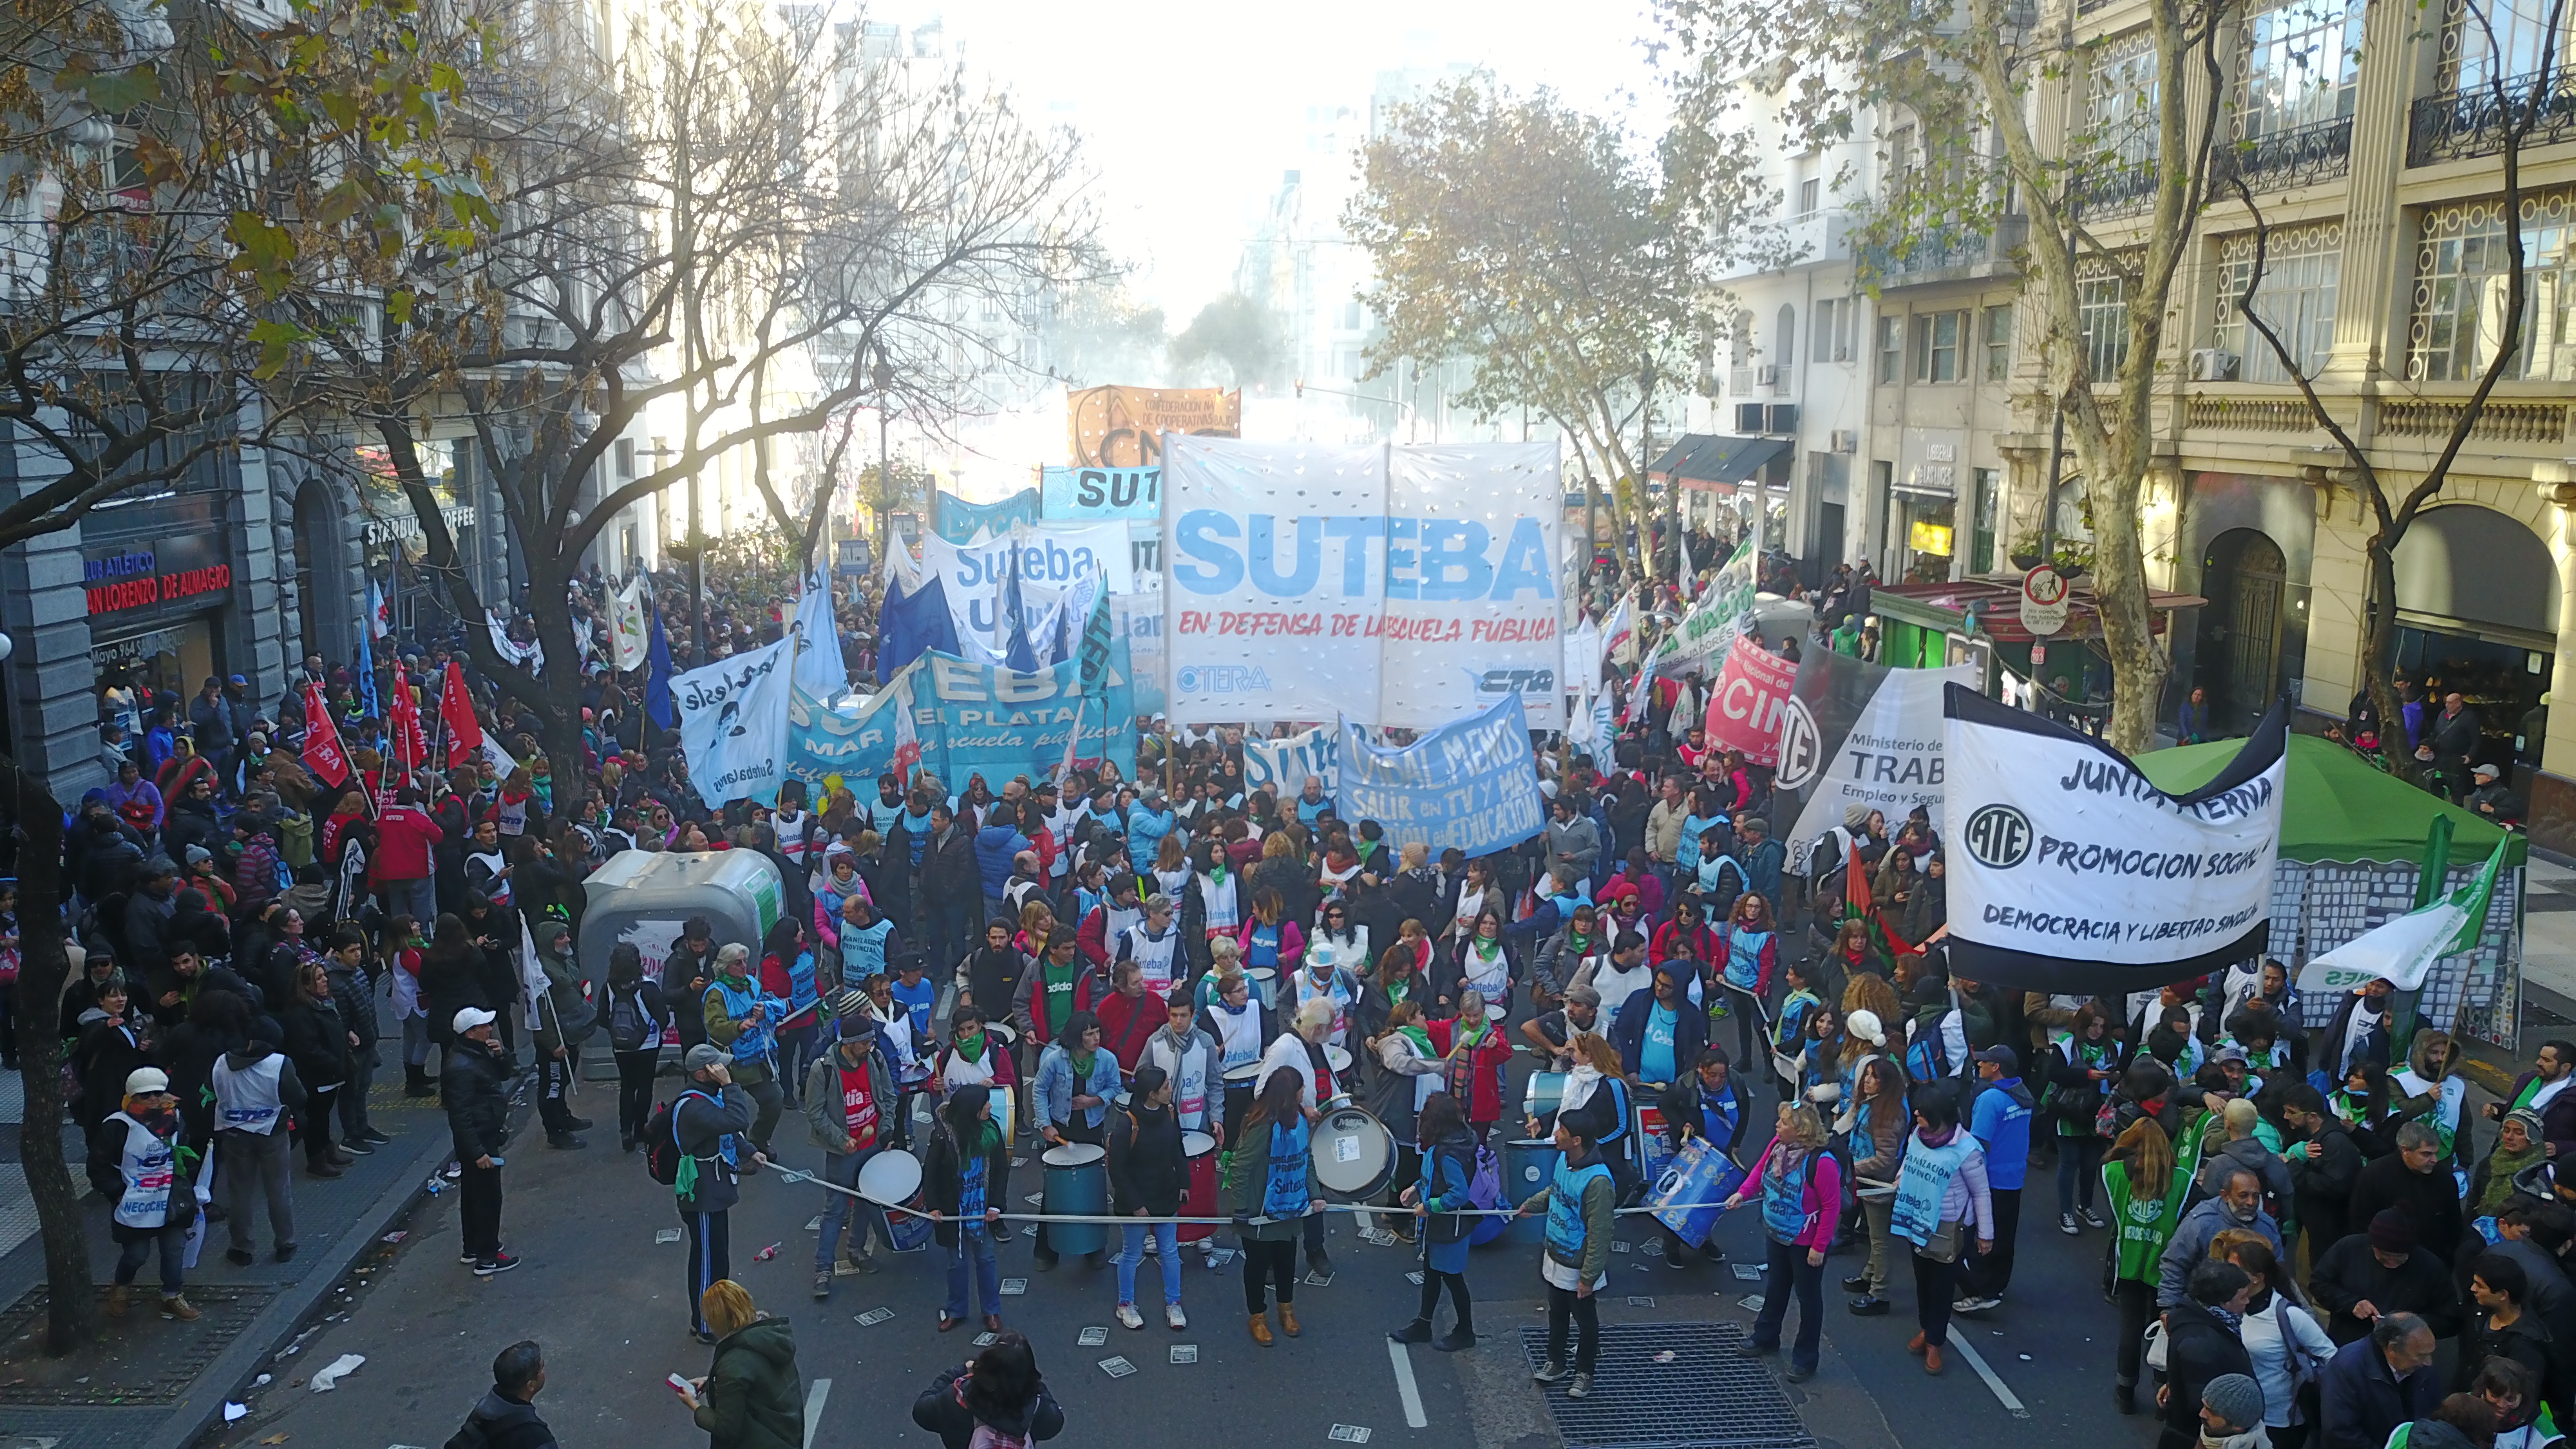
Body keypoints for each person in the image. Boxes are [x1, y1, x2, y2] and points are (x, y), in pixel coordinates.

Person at [1726, 1101, 1842, 1383]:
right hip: (1776, 1232)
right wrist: (1742, 1193)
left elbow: (1831, 1207)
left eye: (1784, 1122)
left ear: (1801, 1130)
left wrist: (1819, 1247)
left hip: (1804, 1242)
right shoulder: (1778, 1146)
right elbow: (1759, 1171)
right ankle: (1766, 1336)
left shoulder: (1822, 1163)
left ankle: (1805, 1358)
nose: (1777, 1125)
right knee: (1776, 1286)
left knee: (1808, 1298)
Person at [1889, 1083, 1994, 1375]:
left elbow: (1981, 1193)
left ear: (1941, 1115)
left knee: (1942, 1287)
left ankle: (1935, 1341)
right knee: (1922, 1281)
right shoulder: (1917, 1135)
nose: (1916, 1115)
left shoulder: (1967, 1150)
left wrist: (1986, 1235)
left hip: (1949, 1228)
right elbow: (1909, 1162)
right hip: (1917, 1220)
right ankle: (1927, 1328)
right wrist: (1901, 1178)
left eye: (1923, 1112)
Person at [1520, 1102, 1616, 1399]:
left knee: (1586, 1322)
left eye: (1561, 1131)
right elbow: (1556, 1191)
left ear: (1577, 1141)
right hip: (1556, 1255)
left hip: (1577, 1264)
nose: (1556, 1134)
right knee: (1557, 1314)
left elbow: (1600, 1233)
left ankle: (1585, 1372)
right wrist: (1533, 1204)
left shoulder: (1599, 1183)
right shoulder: (1565, 1159)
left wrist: (1588, 1277)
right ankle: (1556, 1362)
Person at [803, 997, 896, 1297]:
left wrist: (885, 1130)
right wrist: (842, 1139)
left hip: (871, 1146)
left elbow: (888, 1097)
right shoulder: (823, 1070)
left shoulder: (875, 1059)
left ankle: (856, 1250)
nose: (870, 1047)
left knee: (867, 1202)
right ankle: (822, 1269)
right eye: (865, 1043)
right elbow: (815, 1113)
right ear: (849, 1043)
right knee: (835, 1210)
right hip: (843, 1152)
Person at [674, 1043, 762, 1343]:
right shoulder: (694, 1106)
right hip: (702, 1194)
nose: (724, 1069)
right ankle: (703, 1324)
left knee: (718, 1256)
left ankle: (716, 1315)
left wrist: (749, 1151)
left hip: (714, 1189)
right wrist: (729, 1085)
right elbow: (736, 1120)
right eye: (717, 1067)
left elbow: (728, 1131)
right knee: (706, 1261)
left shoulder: (707, 1098)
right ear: (702, 1073)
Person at [104, 1066, 201, 1321]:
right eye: (145, 1095)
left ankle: (172, 1295)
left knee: (174, 1249)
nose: (153, 1099)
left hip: (171, 1197)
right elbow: (99, 1165)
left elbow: (187, 1148)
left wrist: (187, 1177)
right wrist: (118, 1192)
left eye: (158, 1093)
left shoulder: (176, 1118)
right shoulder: (117, 1125)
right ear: (132, 1097)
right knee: (137, 1255)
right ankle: (121, 1286)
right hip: (135, 1202)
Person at [1234, 1066, 1321, 1347]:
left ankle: (1287, 1309)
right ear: (1289, 1094)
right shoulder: (1261, 1125)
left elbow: (1306, 1158)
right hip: (1260, 1210)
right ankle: (1257, 1316)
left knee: (1286, 1260)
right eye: (1301, 1089)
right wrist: (1240, 1208)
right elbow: (1240, 1166)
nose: (1304, 1093)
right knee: (1257, 1266)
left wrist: (1315, 1195)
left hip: (1290, 1207)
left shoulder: (1299, 1120)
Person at [1390, 1090, 1480, 1351]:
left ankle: (1465, 1331)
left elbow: (1459, 1193)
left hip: (1448, 1228)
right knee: (1432, 1273)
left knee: (1452, 1279)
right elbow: (1436, 1177)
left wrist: (1429, 1207)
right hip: (1440, 1226)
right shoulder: (1451, 1143)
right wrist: (1417, 1187)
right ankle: (1423, 1323)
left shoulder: (1446, 1153)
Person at [213, 1018, 306, 1265]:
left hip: (234, 1134)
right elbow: (298, 1096)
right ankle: (285, 1243)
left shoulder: (222, 1062)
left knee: (240, 1191)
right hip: (272, 1133)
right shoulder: (279, 1064)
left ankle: (241, 1247)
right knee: (278, 1190)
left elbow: (214, 1091)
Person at [1031, 1009, 1119, 1271]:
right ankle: (1047, 1251)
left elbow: (1115, 1087)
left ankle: (1094, 1248)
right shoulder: (1055, 1060)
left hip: (1091, 1129)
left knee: (1092, 1188)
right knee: (1055, 1190)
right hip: (1061, 1129)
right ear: (1076, 1037)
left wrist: (1094, 1101)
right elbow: (1039, 1089)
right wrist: (1045, 1124)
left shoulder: (1107, 1059)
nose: (1096, 1038)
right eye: (1089, 1034)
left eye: (1097, 1032)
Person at [2229, 1238, 2336, 1449]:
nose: (2227, 1275)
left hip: (2279, 1420)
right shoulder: (2230, 1307)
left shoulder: (2288, 1314)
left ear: (2258, 1278)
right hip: (2240, 1414)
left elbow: (2331, 1355)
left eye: (2235, 1270)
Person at [1105, 1064, 1188, 1331]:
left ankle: (1174, 1303)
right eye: (1166, 1087)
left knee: (1170, 1252)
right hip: (1136, 1199)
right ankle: (1125, 1304)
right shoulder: (1127, 1123)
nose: (1170, 1090)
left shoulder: (1170, 1112)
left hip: (1165, 1193)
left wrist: (1184, 1182)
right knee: (1131, 1254)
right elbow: (1116, 1169)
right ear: (1152, 1094)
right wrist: (1136, 1204)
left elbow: (1177, 1149)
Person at [676, 1279, 804, 1449]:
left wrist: (694, 1405)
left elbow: (726, 1428)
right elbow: (759, 1379)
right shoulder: (769, 1336)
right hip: (787, 1435)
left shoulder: (732, 1364)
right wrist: (713, 1382)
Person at [2309, 1209, 2463, 1345]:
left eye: (2399, 1259)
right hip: (2349, 1342)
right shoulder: (2348, 1249)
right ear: (2372, 1246)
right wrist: (2351, 1304)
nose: (2391, 1264)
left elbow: (2450, 1319)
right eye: (2383, 1257)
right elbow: (2319, 1283)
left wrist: (2409, 1323)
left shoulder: (2431, 1268)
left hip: (2404, 1351)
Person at [1956, 1044, 2032, 1314]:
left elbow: (1978, 1144)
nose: (1979, 1065)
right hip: (2014, 1177)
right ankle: (1997, 1285)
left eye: (1984, 1062)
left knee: (1981, 1236)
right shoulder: (2022, 1093)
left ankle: (1981, 1291)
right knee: (2004, 1235)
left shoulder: (1989, 1099)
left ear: (1996, 1067)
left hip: (1990, 1179)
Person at [444, 1007, 516, 1276]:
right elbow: (460, 1115)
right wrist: (477, 1152)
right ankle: (488, 1256)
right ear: (470, 1033)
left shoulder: (476, 1053)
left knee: (474, 1194)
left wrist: (502, 1055)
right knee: (488, 1197)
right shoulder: (460, 1067)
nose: (490, 1028)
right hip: (480, 1138)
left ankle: (473, 1247)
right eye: (484, 1026)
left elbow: (504, 1075)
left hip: (481, 1134)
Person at [703, 942, 788, 1163]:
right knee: (734, 1112)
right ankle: (738, 1154)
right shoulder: (716, 994)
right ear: (724, 967)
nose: (744, 966)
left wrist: (765, 1010)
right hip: (731, 1063)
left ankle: (759, 1140)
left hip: (758, 1057)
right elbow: (715, 1027)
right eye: (737, 963)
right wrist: (739, 1026)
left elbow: (771, 1003)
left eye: (744, 961)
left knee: (775, 1100)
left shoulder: (751, 983)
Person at [911, 1330, 1065, 1449]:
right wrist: (1033, 1383)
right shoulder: (1039, 1411)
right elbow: (1054, 1425)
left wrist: (960, 1370)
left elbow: (920, 1412)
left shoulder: (952, 1400)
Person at [2165, 1260, 2261, 1449]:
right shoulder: (2201, 1344)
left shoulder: (2199, 1319)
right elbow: (2204, 1404)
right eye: (2242, 1297)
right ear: (2223, 1302)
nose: (2247, 1301)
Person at [2164, 1166, 2287, 1309]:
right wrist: (2168, 1307)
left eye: (2256, 1196)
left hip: (2254, 1308)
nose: (2251, 1202)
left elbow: (2279, 1273)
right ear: (2225, 1196)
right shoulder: (2201, 1222)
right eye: (2243, 1196)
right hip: (2203, 1306)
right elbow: (2174, 1264)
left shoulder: (2268, 1225)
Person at [2049, 1001, 2123, 1233]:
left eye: (2102, 1026)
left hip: (2099, 1113)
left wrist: (2116, 1077)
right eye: (2093, 1025)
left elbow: (2123, 1074)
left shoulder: (2116, 1047)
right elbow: (2054, 1073)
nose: (2097, 1031)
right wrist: (2087, 1075)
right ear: (2082, 1024)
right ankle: (2065, 1212)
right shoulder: (2067, 1042)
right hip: (2069, 1110)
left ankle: (2086, 1206)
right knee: (2069, 1162)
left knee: (2091, 1164)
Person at [2318, 1313, 2442, 1449]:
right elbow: (2340, 1432)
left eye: (2431, 1354)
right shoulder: (2345, 1368)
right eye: (2422, 1356)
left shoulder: (2420, 1366)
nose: (2428, 1362)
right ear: (2392, 1349)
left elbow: (2433, 1414)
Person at [2352, 1122, 2468, 1267]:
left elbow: (2454, 1225)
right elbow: (2359, 1224)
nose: (2435, 1160)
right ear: (2405, 1150)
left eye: (2435, 1153)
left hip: (2430, 1265)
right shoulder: (2373, 1177)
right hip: (2386, 1264)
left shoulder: (2444, 1179)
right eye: (2426, 1154)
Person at [2285, 1084, 2367, 1263]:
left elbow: (2335, 1186)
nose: (2286, 1117)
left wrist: (2294, 1167)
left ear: (2312, 1116)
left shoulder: (2335, 1143)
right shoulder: (2315, 1136)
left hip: (2329, 1229)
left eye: (2291, 1112)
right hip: (2314, 1223)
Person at [605, 943, 674, 1152]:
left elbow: (602, 1017)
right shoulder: (648, 987)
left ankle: (625, 1130)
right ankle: (639, 1130)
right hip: (648, 1045)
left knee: (627, 1086)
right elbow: (663, 1019)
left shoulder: (609, 987)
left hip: (621, 1047)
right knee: (645, 1086)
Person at [2461, 1253, 2555, 1392]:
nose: (2473, 1289)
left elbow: (2519, 1394)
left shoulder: (2527, 1346)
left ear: (2503, 1295)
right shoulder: (2481, 1311)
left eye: (2480, 1286)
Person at [449, 1340, 561, 1449]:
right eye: (542, 1369)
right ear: (530, 1385)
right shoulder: (537, 1437)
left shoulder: (484, 1408)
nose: (544, 1373)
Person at [2197, 1374, 2273, 1449]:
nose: (2201, 1414)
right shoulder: (2212, 1435)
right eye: (2204, 1406)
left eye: (2213, 1412)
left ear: (2237, 1426)